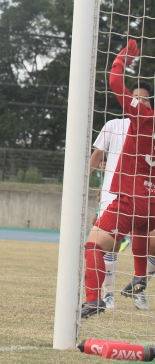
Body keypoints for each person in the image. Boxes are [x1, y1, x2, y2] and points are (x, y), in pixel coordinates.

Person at [81, 39, 155, 318]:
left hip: (130, 199)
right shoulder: (128, 122)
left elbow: (114, 82)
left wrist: (121, 60)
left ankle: (94, 300)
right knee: (141, 231)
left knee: (94, 245)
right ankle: (139, 278)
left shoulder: (144, 117)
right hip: (152, 204)